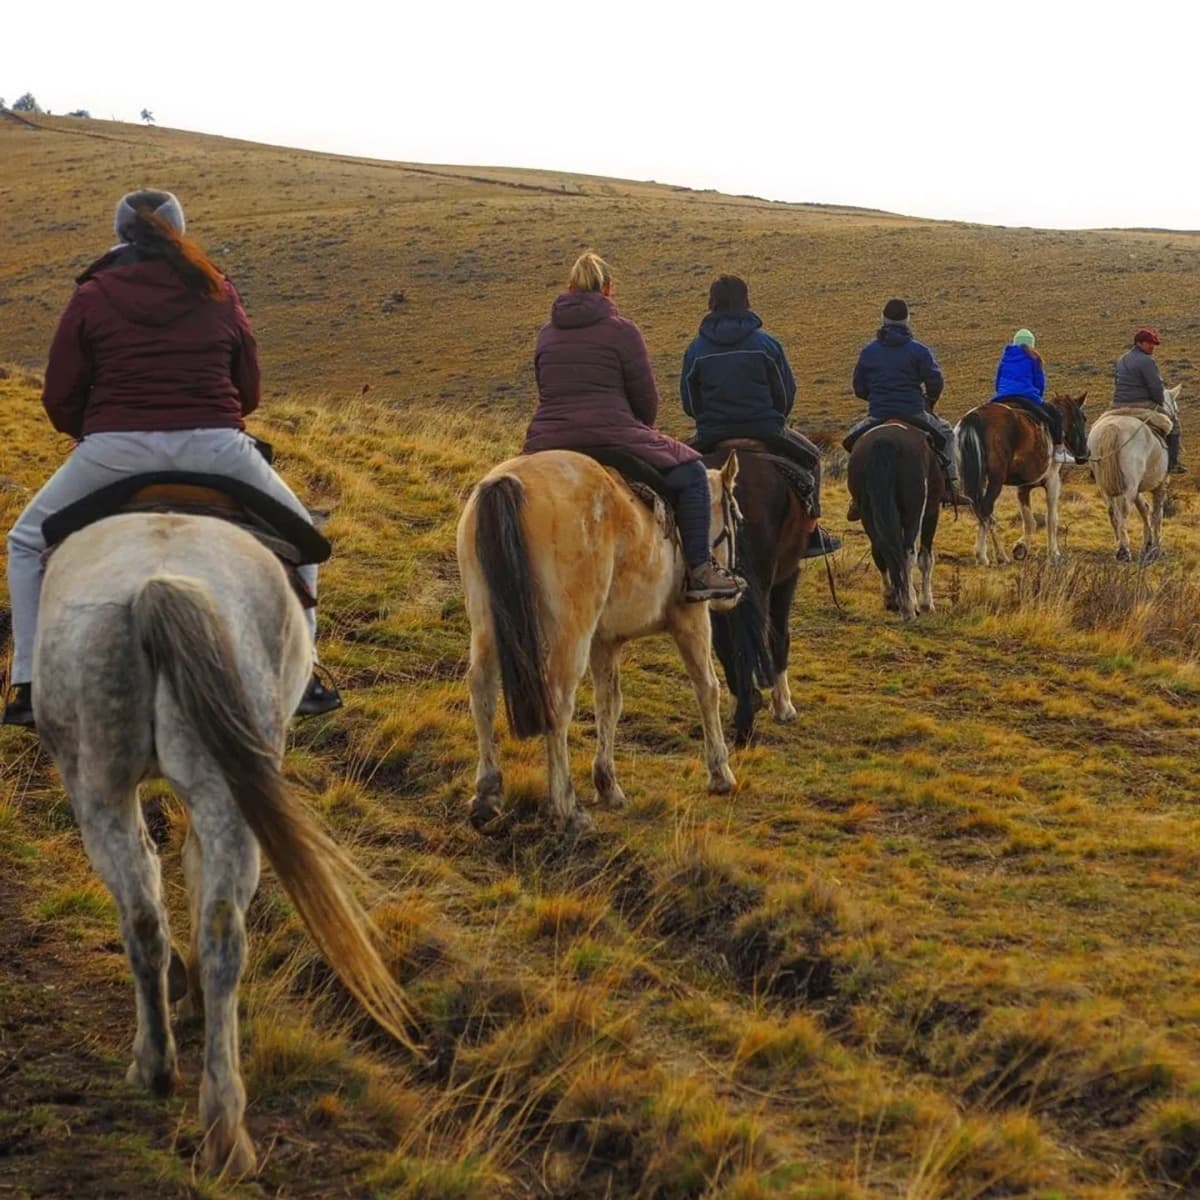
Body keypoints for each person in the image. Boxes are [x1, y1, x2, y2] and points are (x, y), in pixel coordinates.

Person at [2, 189, 341, 727]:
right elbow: (248, 387)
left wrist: (90, 431)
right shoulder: (217, 288)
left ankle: (29, 681)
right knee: (303, 538)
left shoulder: (92, 293)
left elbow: (59, 394)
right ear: (179, 231)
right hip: (214, 446)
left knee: (24, 542)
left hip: (115, 449)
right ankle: (304, 675)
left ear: (120, 235)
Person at [524, 251, 742, 601]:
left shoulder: (546, 334)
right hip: (612, 436)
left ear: (569, 287)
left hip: (548, 441)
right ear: (609, 289)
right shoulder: (623, 331)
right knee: (692, 475)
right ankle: (701, 570)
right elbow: (645, 399)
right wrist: (642, 428)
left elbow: (545, 388)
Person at [680, 275, 841, 556]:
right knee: (813, 459)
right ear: (746, 301)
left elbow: (690, 402)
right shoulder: (767, 344)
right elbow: (785, 394)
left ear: (711, 303)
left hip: (712, 434)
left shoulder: (695, 349)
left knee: (674, 468)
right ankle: (811, 531)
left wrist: (708, 420)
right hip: (765, 429)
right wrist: (774, 419)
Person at [845, 298, 959, 519]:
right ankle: (950, 486)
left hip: (878, 414)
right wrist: (929, 400)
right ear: (907, 321)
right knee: (946, 432)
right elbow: (935, 381)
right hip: (914, 412)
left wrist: (876, 398)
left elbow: (859, 387)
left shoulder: (868, 352)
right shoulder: (919, 351)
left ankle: (857, 497)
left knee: (851, 441)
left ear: (883, 319)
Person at [991, 329, 1072, 463]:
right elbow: (1039, 382)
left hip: (1002, 397)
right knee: (1054, 415)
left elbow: (998, 381)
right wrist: (1038, 398)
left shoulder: (1006, 357)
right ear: (1032, 343)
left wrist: (1002, 393)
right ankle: (1059, 450)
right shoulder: (1034, 358)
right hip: (1026, 396)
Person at [1113, 327, 1184, 473]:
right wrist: (1159, 402)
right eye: (1149, 343)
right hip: (1141, 403)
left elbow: (1116, 382)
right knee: (1173, 425)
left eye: (1154, 344)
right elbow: (1156, 386)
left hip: (1117, 405)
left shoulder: (1121, 360)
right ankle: (1172, 464)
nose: (1152, 346)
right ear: (1139, 343)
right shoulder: (1147, 361)